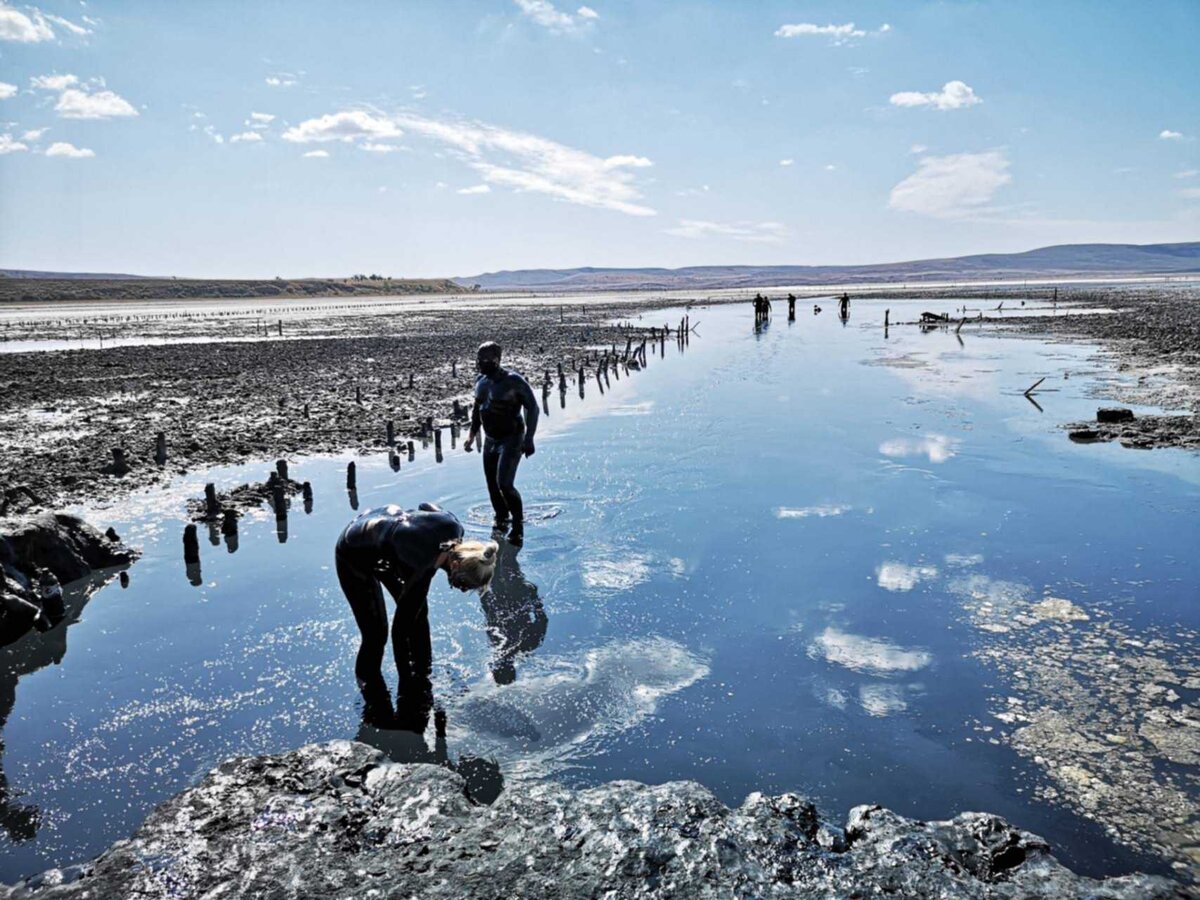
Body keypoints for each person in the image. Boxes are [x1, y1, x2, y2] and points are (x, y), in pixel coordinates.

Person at [335, 503, 498, 715]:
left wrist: (423, 675)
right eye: (464, 584)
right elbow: (399, 633)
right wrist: (408, 687)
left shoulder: (453, 527)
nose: (462, 589)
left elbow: (425, 506)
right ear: (456, 566)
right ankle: (372, 692)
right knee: (376, 634)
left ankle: (422, 670)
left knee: (418, 614)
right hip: (353, 552)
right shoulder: (421, 567)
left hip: (385, 538)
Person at [465, 342, 539, 545]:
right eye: (478, 360)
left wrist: (529, 438)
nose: (479, 364)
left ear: (496, 360)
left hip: (511, 438)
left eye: (484, 360)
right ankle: (501, 517)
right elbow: (477, 409)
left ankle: (518, 525)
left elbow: (532, 407)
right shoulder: (480, 381)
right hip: (490, 440)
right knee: (491, 485)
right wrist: (472, 434)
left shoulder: (514, 381)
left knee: (504, 484)